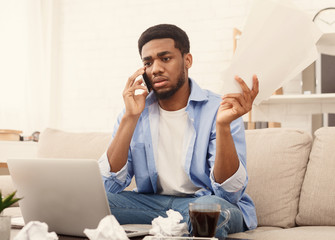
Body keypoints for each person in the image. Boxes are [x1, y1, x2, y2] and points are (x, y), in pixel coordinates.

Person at [98, 24, 259, 237]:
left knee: (213, 213)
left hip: (203, 203)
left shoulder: (220, 110)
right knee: (89, 204)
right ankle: (172, 229)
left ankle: (171, 229)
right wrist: (130, 118)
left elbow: (229, 194)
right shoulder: (135, 112)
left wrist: (223, 127)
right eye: (148, 62)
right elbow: (109, 186)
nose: (155, 69)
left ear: (187, 60)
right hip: (150, 204)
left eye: (165, 58)